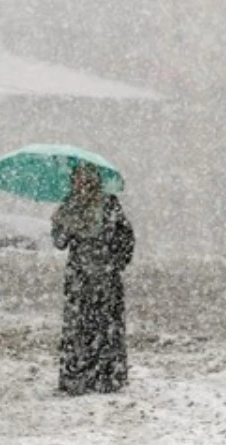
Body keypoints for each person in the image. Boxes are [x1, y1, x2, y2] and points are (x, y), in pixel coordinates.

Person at [51, 163, 135, 396]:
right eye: (78, 180)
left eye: (87, 180)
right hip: (79, 278)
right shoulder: (69, 207)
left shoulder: (109, 204)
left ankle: (106, 377)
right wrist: (60, 224)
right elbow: (59, 243)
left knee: (106, 325)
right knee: (79, 326)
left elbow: (125, 237)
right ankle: (78, 377)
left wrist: (114, 262)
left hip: (106, 277)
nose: (82, 185)